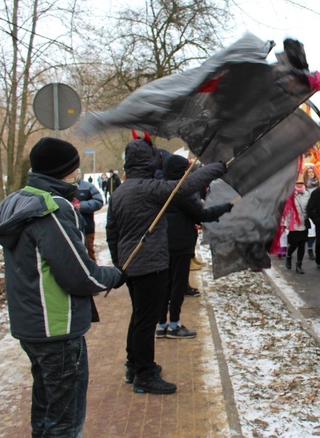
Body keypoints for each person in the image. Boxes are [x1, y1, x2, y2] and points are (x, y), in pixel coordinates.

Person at [0, 137, 125, 436]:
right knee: (65, 421)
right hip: (56, 327)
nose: (78, 172)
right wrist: (115, 275)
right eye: (74, 167)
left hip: (31, 325)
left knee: (46, 410)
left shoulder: (17, 199)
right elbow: (79, 274)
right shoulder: (53, 207)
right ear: (65, 170)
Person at [106, 134, 227, 394]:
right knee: (146, 322)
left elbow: (111, 231)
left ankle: (133, 365)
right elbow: (183, 187)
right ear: (149, 161)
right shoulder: (148, 188)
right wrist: (217, 168)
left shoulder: (122, 191)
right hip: (150, 267)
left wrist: (119, 264)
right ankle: (145, 374)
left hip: (132, 265)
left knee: (139, 317)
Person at [156, 154, 233, 339]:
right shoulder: (182, 191)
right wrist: (226, 207)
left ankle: (161, 324)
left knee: (164, 286)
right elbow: (202, 214)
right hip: (181, 244)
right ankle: (174, 325)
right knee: (178, 286)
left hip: (162, 243)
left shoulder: (158, 187)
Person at [283, 173, 310, 274]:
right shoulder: (289, 194)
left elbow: (310, 207)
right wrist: (284, 224)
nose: (299, 185)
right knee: (294, 244)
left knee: (302, 245)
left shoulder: (307, 194)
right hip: (292, 224)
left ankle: (299, 264)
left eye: (301, 183)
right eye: (297, 183)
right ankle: (289, 256)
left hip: (303, 223)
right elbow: (285, 210)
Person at [75, 172, 105, 261]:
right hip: (69, 228)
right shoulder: (62, 186)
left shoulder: (88, 187)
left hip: (87, 228)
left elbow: (99, 201)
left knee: (89, 255)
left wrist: (82, 206)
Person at [303, 165, 320, 260]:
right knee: (310, 231)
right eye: (309, 172)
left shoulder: (318, 184)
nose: (311, 174)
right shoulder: (303, 185)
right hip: (307, 210)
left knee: (315, 231)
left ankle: (312, 248)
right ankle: (310, 248)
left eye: (312, 172)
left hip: (317, 210)